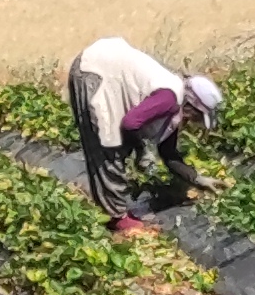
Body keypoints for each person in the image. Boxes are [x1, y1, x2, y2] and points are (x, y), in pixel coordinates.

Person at [68, 33, 221, 233]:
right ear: (191, 106)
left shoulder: (175, 107)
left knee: (119, 142)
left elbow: (168, 154)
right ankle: (117, 219)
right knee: (108, 145)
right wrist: (142, 151)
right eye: (197, 117)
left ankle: (115, 212)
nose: (194, 122)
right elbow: (131, 123)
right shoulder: (169, 98)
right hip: (94, 71)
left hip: (107, 70)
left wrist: (198, 179)